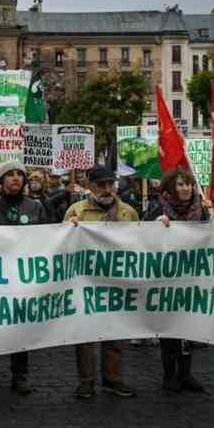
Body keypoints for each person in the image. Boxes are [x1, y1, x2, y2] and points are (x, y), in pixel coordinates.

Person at [0, 160, 49, 395]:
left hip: (23, 276)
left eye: (19, 174)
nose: (15, 178)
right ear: (1, 180)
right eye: (10, 174)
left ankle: (20, 374)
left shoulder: (35, 207)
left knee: (20, 325)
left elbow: (48, 237)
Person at [64, 166, 138, 399]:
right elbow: (62, 245)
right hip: (85, 282)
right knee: (85, 335)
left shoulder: (128, 212)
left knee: (115, 332)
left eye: (110, 184)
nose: (107, 190)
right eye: (101, 185)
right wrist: (68, 229)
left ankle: (112, 378)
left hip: (116, 281)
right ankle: (86, 381)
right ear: (90, 187)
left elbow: (141, 243)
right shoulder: (76, 211)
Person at [147, 168, 208, 394]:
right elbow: (142, 238)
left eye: (189, 184)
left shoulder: (201, 209)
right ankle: (169, 375)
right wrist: (156, 225)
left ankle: (186, 373)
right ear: (171, 188)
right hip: (167, 279)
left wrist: (212, 218)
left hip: (192, 277)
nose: (186, 189)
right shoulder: (159, 208)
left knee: (189, 328)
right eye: (181, 185)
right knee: (170, 328)